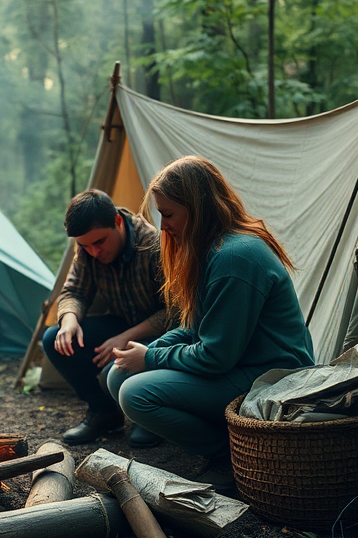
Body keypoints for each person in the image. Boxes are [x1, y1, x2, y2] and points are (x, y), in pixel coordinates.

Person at [106, 156, 315, 488]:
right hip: (242, 366)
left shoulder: (235, 256)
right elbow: (196, 327)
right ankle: (224, 440)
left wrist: (148, 358)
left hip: (274, 378)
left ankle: (232, 458)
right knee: (117, 377)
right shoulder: (211, 250)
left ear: (198, 208)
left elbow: (215, 355)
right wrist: (148, 349)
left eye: (169, 214)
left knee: (134, 393)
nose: (163, 227)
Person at [41, 190, 168, 445]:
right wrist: (69, 320)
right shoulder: (88, 249)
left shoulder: (153, 244)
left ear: (118, 222)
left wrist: (125, 338)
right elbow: (74, 291)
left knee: (115, 368)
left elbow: (176, 313)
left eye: (99, 242)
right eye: (85, 245)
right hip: (123, 323)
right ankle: (105, 413)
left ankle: (149, 417)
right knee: (54, 338)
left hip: (162, 335)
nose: (93, 252)